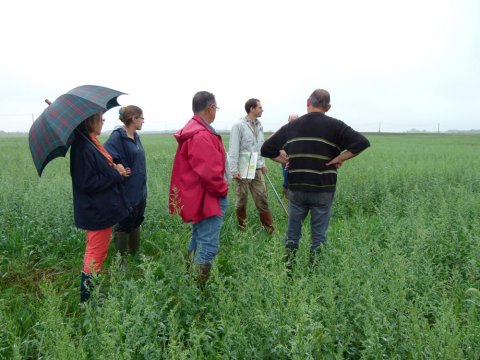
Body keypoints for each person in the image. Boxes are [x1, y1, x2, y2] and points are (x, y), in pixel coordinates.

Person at [261, 89, 370, 268]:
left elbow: (266, 148)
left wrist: (285, 160)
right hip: (323, 189)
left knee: (292, 232)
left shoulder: (292, 126)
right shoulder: (336, 126)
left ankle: (289, 270)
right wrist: (339, 158)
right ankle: (314, 272)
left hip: (297, 188)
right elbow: (362, 142)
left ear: (307, 102)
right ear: (328, 107)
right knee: (319, 235)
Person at [169, 91, 230, 289]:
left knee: (198, 239)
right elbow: (210, 172)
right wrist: (223, 189)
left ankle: (189, 281)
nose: (216, 112)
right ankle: (197, 291)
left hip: (199, 196)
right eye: (216, 108)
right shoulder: (202, 135)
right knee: (208, 245)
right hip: (208, 198)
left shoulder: (194, 130)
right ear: (210, 108)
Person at [70, 112, 131, 302]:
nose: (102, 122)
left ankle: (92, 293)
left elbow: (104, 165)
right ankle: (87, 299)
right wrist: (116, 175)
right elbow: (86, 182)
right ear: (90, 121)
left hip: (101, 208)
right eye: (100, 119)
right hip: (96, 211)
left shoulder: (91, 142)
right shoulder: (82, 148)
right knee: (95, 253)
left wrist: (116, 166)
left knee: (97, 251)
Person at [104, 106, 147, 270]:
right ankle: (121, 260)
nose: (143, 121)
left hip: (140, 188)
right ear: (134, 118)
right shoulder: (118, 136)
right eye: (142, 118)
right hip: (126, 189)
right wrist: (117, 165)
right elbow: (106, 155)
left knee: (136, 219)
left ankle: (135, 253)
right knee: (123, 223)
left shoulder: (135, 136)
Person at [228, 98, 274, 234]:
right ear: (252, 109)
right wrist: (234, 170)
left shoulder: (260, 125)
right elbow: (233, 148)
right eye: (260, 107)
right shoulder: (239, 126)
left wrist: (262, 163)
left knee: (262, 197)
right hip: (243, 166)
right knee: (241, 199)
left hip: (257, 166)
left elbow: (260, 147)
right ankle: (243, 230)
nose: (262, 109)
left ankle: (270, 231)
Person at [281, 113, 298, 197]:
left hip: (297, 158)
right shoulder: (284, 131)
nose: (292, 122)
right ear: (288, 120)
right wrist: (282, 150)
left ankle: (294, 193)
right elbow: (275, 143)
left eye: (294, 120)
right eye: (291, 120)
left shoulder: (301, 131)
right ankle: (286, 191)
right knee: (286, 174)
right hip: (286, 158)